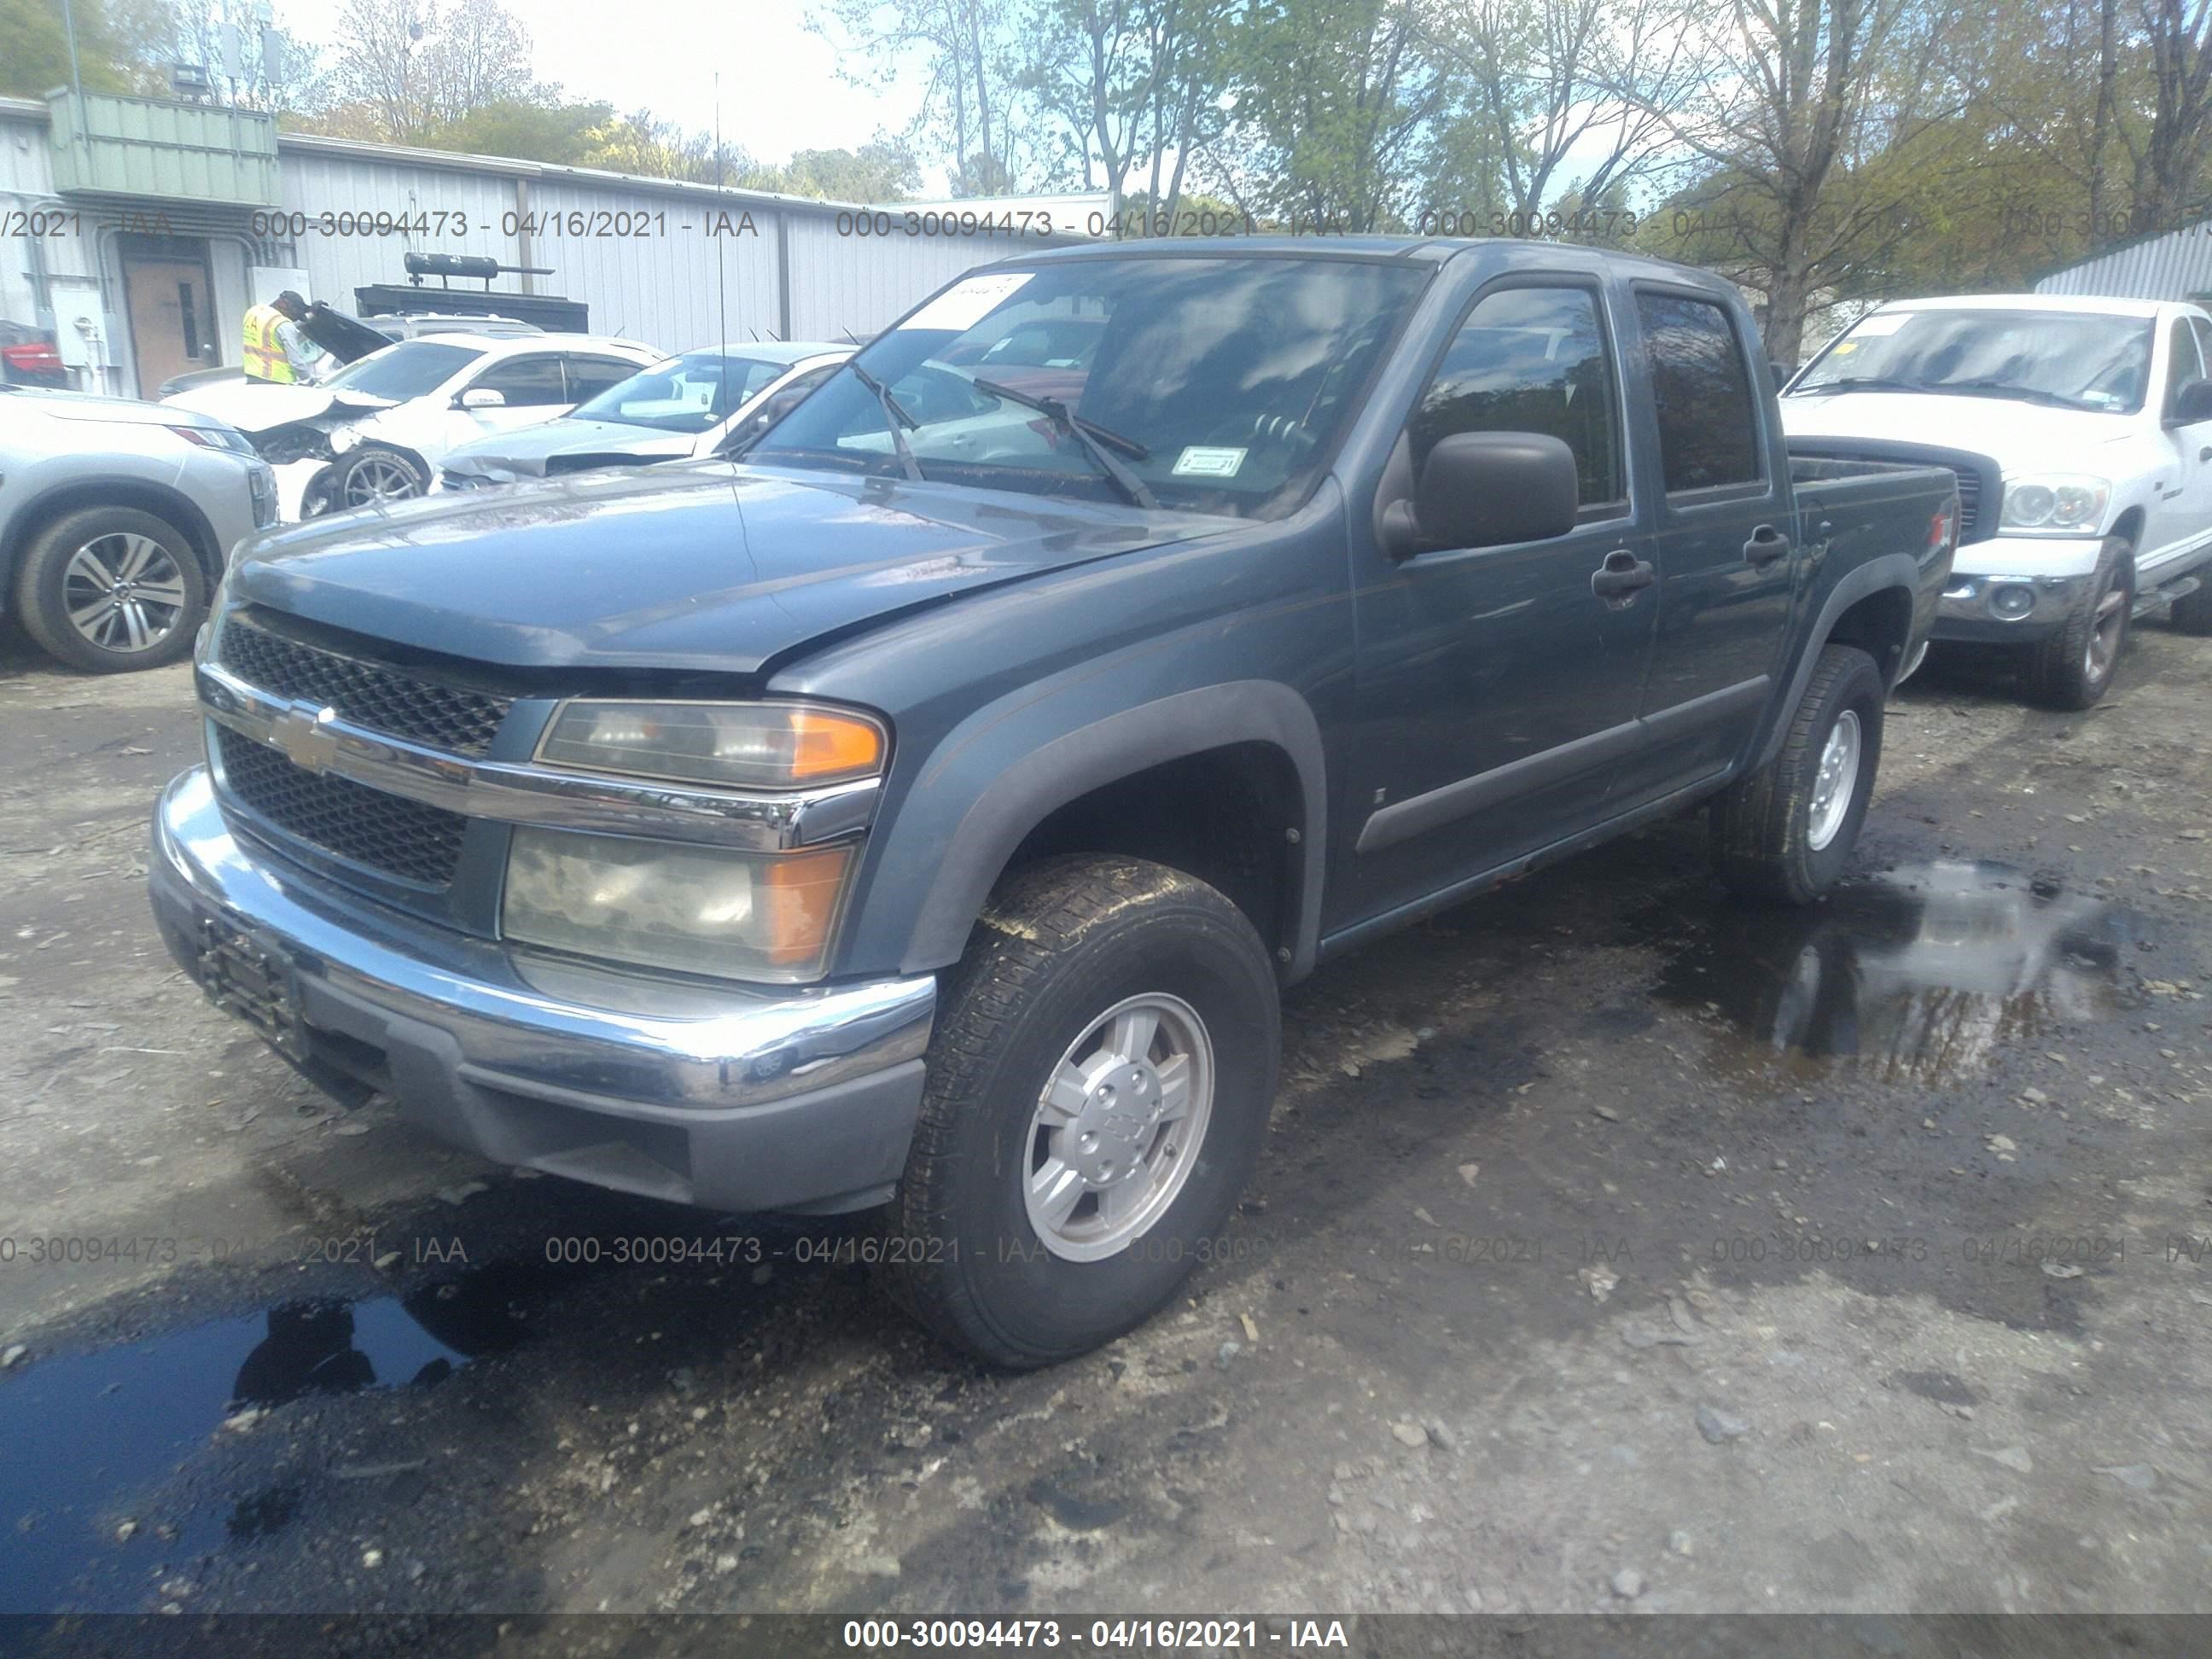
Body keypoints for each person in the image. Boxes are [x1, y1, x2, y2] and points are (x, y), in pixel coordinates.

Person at [241, 289, 327, 384]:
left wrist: (311, 314)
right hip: (278, 381)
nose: (293, 319)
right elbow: (296, 361)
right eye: (294, 315)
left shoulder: (254, 312)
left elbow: (280, 329)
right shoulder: (284, 325)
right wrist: (309, 381)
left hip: (253, 378)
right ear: (283, 305)